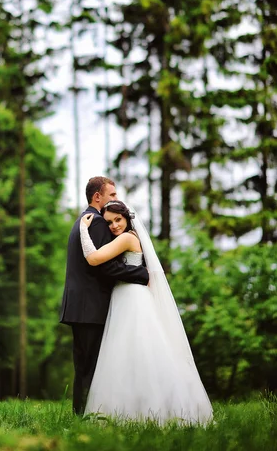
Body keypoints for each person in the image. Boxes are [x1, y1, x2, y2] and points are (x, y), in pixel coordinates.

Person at [79, 200, 213, 425]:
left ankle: (146, 410)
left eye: (117, 220)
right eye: (109, 222)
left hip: (132, 298)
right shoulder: (127, 237)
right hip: (127, 296)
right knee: (131, 354)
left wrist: (83, 228)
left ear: (127, 218)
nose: (113, 226)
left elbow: (93, 259)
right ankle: (137, 409)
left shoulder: (127, 238)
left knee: (135, 351)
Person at [59, 177, 149, 415]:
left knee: (84, 365)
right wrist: (142, 274)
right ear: (97, 197)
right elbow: (104, 266)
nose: (116, 199)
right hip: (91, 306)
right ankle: (86, 417)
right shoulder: (96, 223)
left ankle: (82, 414)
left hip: (80, 305)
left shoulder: (83, 220)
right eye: (112, 195)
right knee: (91, 366)